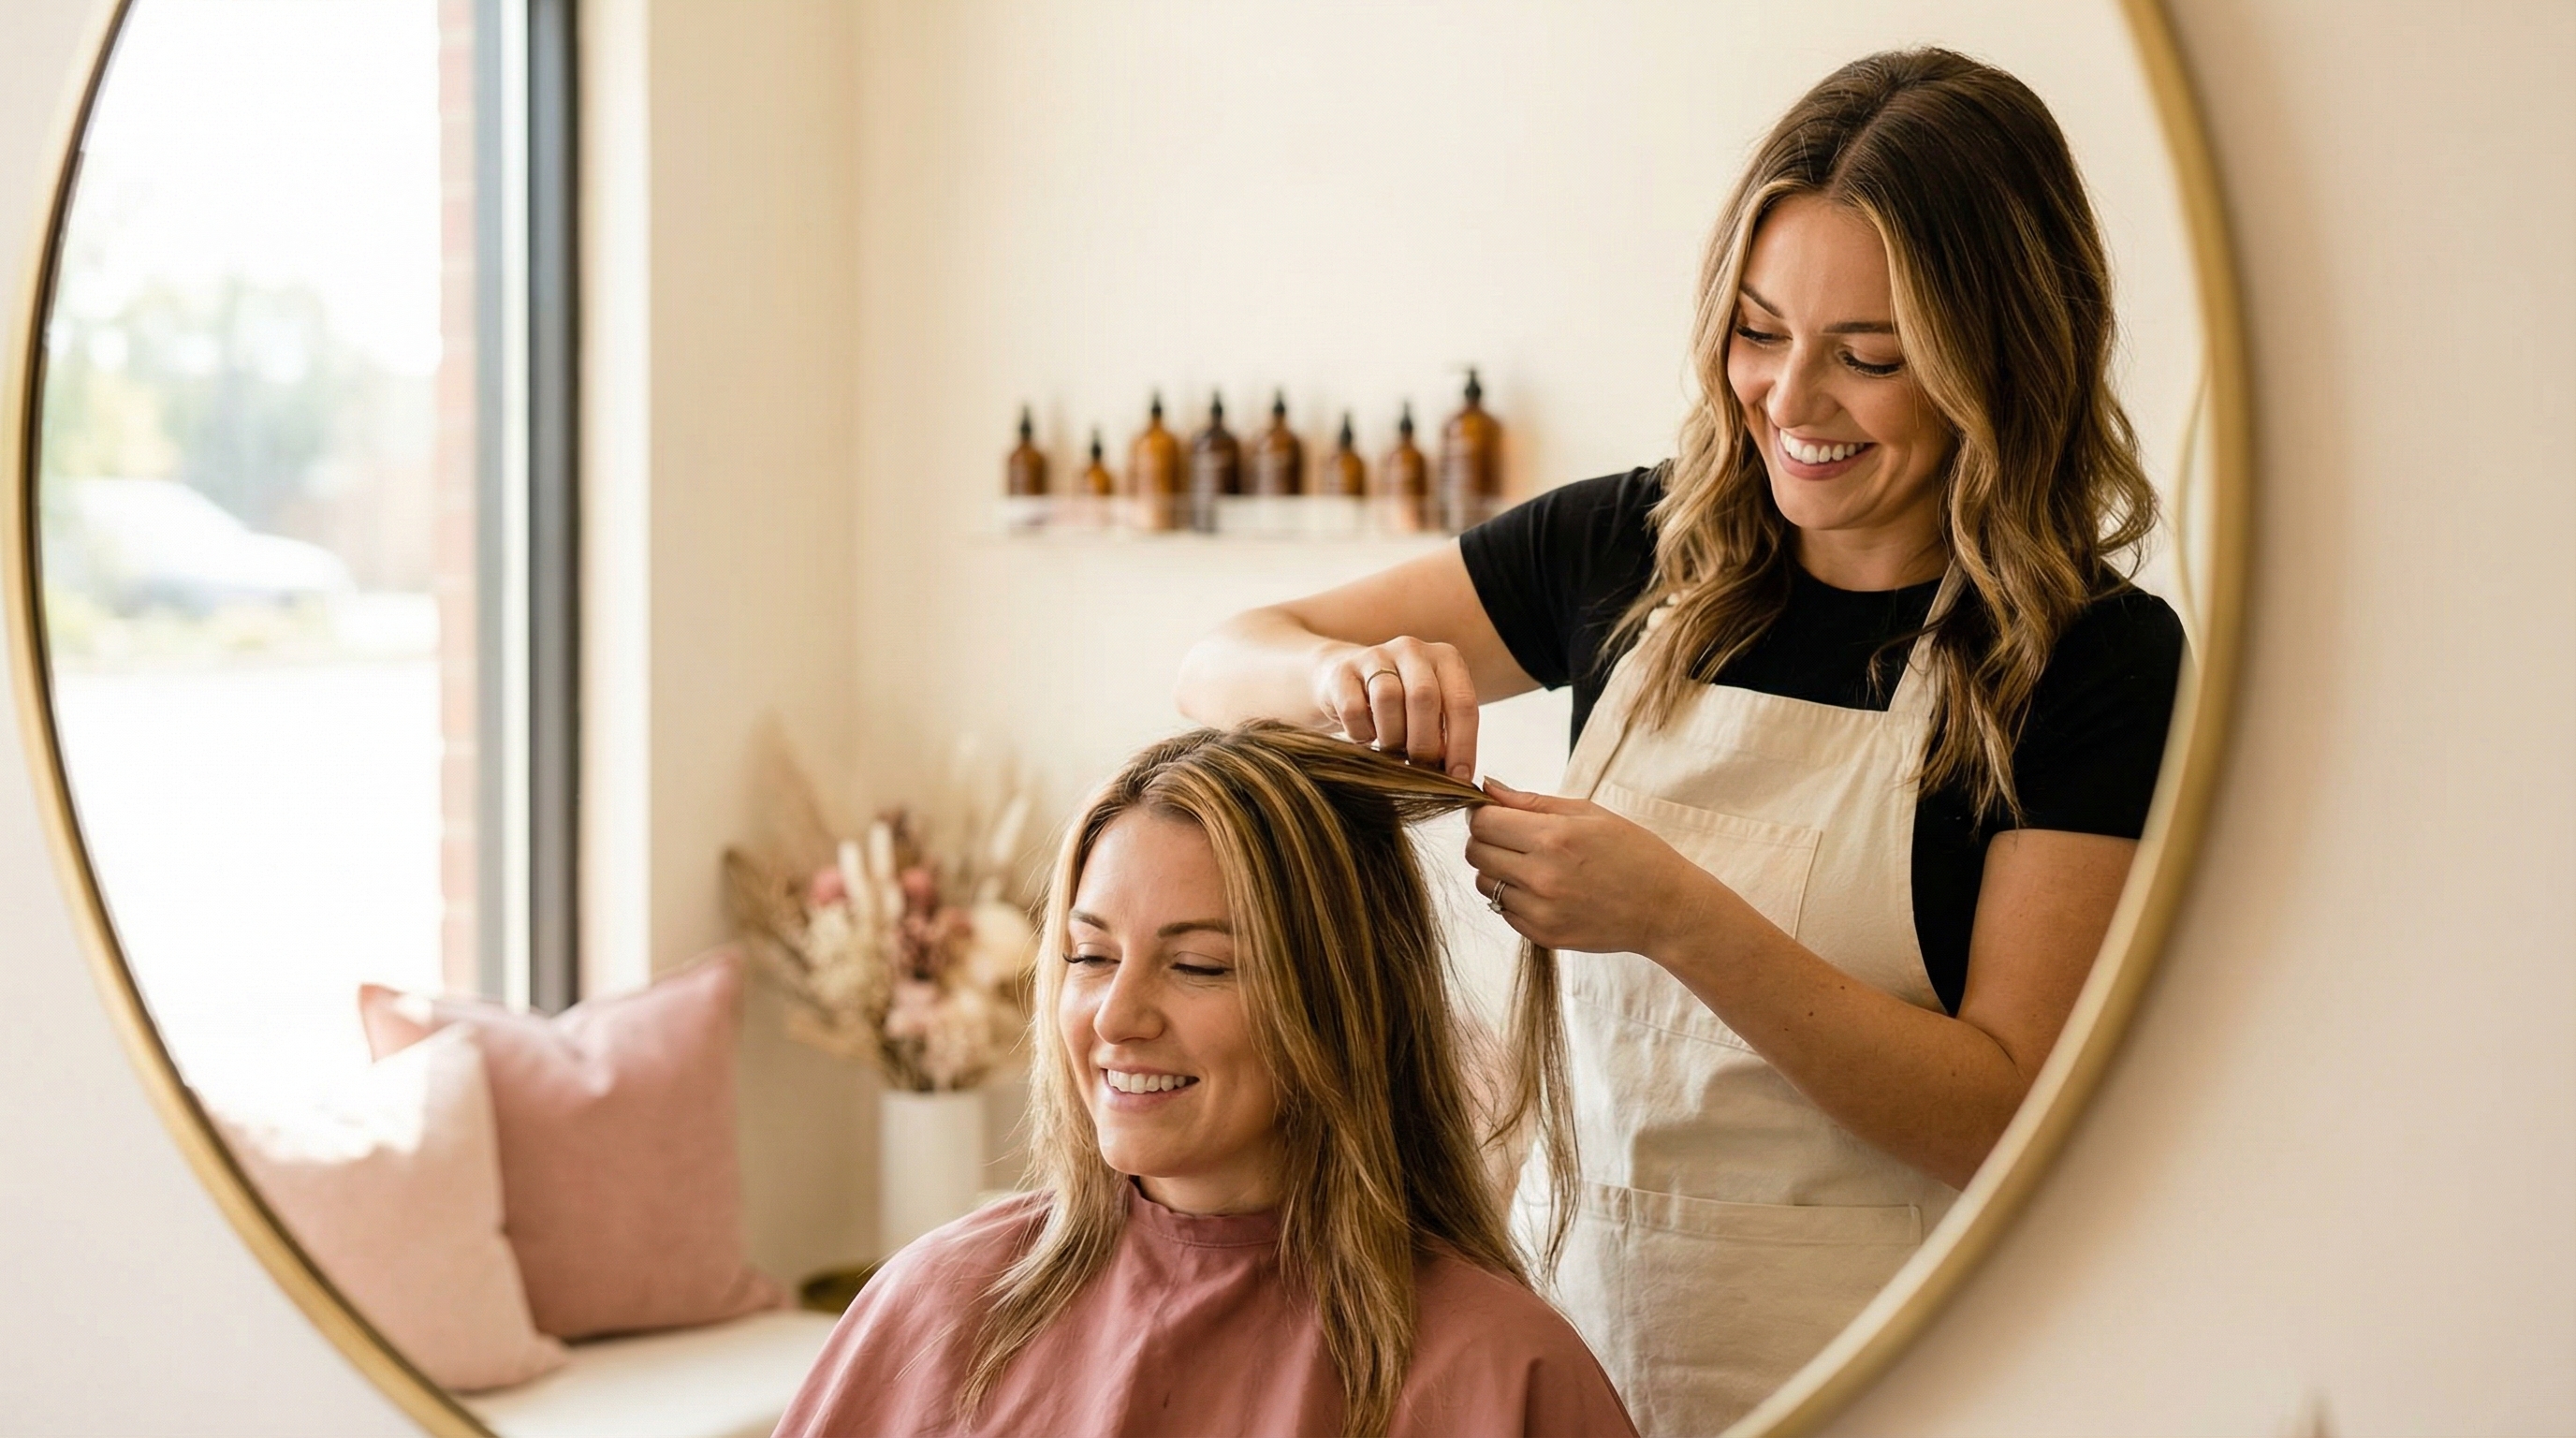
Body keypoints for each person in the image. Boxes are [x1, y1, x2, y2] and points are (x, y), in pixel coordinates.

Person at [1172, 48, 2187, 1435]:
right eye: (1758, 332)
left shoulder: (2091, 661)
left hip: (1893, 1365)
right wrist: (1353, 673)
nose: (1789, 400)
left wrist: (1677, 918)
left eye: (1870, 356)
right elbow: (1217, 664)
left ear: (2000, 357)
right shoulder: (1626, 551)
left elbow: (2007, 1114)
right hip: (1565, 1342)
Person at [772, 724, 1635, 1438]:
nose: (1116, 1017)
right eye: (1090, 955)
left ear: (1342, 1002)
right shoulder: (934, 1306)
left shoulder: (1500, 1370)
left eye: (1199, 966)